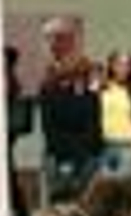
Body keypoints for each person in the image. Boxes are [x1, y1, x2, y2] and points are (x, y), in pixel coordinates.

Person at [39, 54, 101, 205]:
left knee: (85, 197)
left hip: (86, 155)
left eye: (84, 73)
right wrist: (69, 151)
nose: (82, 76)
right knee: (61, 196)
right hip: (60, 154)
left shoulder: (91, 96)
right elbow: (49, 127)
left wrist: (88, 150)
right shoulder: (49, 93)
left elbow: (93, 125)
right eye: (77, 72)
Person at [3, 45, 33, 216]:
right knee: (8, 175)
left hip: (3, 132)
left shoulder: (6, 78)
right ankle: (21, 215)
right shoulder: (10, 77)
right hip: (7, 132)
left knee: (7, 175)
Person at [99, 50, 131, 179]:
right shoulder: (101, 88)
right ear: (111, 65)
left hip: (126, 144)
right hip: (104, 143)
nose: (123, 68)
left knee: (124, 185)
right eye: (119, 64)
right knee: (105, 188)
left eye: (127, 65)